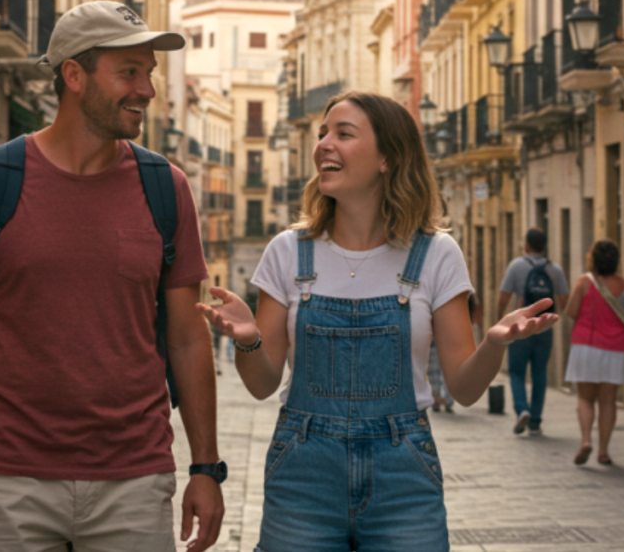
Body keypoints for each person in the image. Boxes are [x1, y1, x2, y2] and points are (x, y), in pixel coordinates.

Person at [0, 1, 224, 552]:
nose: (147, 89)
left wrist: (206, 466)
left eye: (148, 73)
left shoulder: (166, 188)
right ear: (74, 76)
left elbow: (185, 335)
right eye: (128, 71)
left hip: (134, 478)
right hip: (11, 477)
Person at [198, 91, 558, 552]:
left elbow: (465, 390)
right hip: (303, 475)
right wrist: (248, 341)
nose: (324, 144)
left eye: (343, 134)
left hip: (403, 478)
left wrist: (492, 343)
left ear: (388, 158)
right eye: (323, 133)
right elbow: (263, 384)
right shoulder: (288, 252)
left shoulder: (436, 255)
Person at [562, 240, 624, 465]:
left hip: (586, 345)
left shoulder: (583, 283)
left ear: (592, 260)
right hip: (616, 349)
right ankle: (603, 451)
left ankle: (586, 440)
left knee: (585, 397)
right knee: (608, 400)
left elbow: (572, 312)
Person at [496, 228, 569, 436]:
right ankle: (535, 421)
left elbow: (503, 297)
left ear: (526, 246)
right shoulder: (554, 269)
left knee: (516, 372)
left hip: (521, 328)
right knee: (539, 373)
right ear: (544, 246)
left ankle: (522, 410)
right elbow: (563, 301)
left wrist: (501, 320)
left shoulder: (517, 266)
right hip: (544, 328)